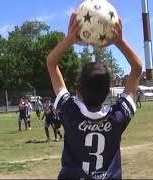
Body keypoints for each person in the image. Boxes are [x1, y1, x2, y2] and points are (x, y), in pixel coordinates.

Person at [47, 13, 142, 179]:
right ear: (108, 92)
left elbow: (51, 62)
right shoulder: (118, 117)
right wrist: (119, 41)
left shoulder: (70, 112)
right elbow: (137, 68)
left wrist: (70, 39)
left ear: (78, 90)